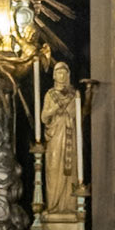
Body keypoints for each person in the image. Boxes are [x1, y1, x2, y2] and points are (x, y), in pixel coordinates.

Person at [41, 60, 78, 214]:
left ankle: (69, 206)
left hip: (70, 134)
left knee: (69, 170)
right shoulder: (50, 94)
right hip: (55, 137)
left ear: (68, 75)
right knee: (54, 168)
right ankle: (54, 205)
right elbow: (44, 117)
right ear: (54, 76)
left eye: (64, 72)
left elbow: (78, 114)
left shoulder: (74, 95)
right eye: (58, 72)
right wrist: (54, 109)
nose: (61, 75)